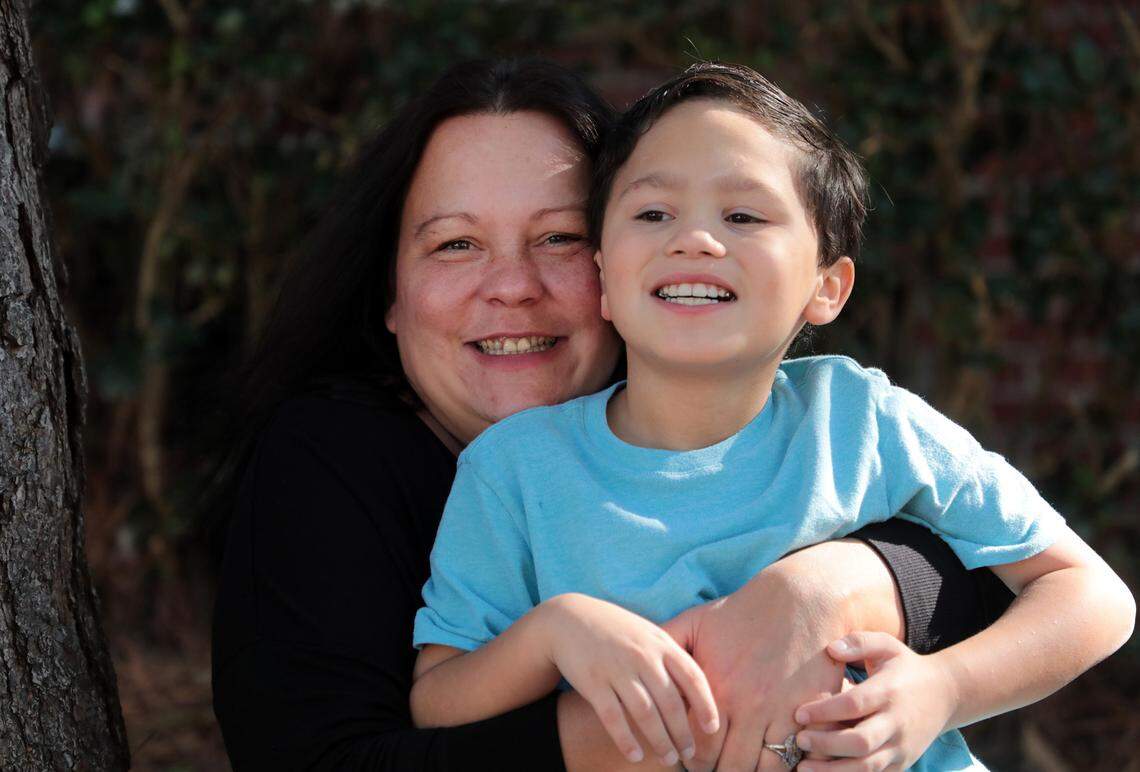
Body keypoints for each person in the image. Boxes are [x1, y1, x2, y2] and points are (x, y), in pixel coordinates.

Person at [211, 58, 1019, 771]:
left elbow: (1025, 581)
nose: (513, 286)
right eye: (456, 244)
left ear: (608, 267)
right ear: (388, 291)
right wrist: (703, 714)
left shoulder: (816, 421)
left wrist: (849, 582)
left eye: (558, 237)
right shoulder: (332, 464)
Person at [408, 62, 1136, 771]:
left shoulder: (861, 420)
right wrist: (554, 633)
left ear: (827, 286)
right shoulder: (515, 469)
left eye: (744, 214)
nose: (693, 238)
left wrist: (944, 689)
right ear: (601, 276)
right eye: (653, 212)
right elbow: (437, 704)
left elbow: (1091, 598)